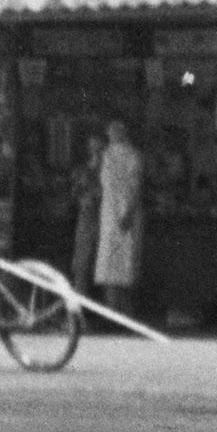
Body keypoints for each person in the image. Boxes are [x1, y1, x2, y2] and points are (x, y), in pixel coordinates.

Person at [94, 118, 144, 315]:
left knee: (126, 263)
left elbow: (136, 186)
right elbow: (105, 185)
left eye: (115, 132)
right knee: (108, 262)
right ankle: (110, 311)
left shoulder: (133, 155)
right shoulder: (106, 155)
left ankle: (125, 313)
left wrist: (129, 212)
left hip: (126, 212)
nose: (112, 135)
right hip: (109, 213)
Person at [69, 129, 105, 296]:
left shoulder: (109, 172)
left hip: (105, 221)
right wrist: (83, 199)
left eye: (99, 148)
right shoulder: (81, 170)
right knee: (82, 265)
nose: (96, 151)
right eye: (93, 147)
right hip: (87, 220)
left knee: (103, 266)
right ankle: (78, 308)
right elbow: (75, 194)